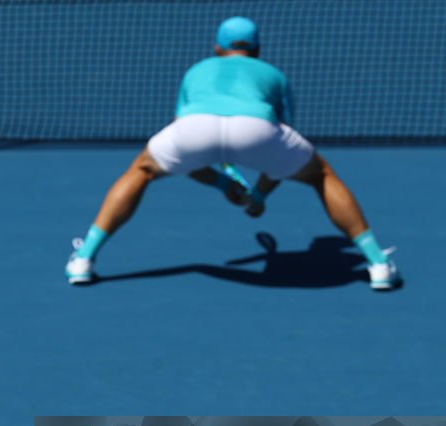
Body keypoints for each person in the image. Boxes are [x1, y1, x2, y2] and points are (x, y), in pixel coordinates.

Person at [65, 16, 401, 291]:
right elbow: (278, 154)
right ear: (257, 50)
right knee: (320, 174)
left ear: (217, 48)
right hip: (256, 129)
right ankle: (377, 264)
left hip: (195, 130)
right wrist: (256, 196)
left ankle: (83, 261)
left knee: (144, 170)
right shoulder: (274, 75)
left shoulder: (196, 70)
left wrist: (224, 185)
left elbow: (186, 156)